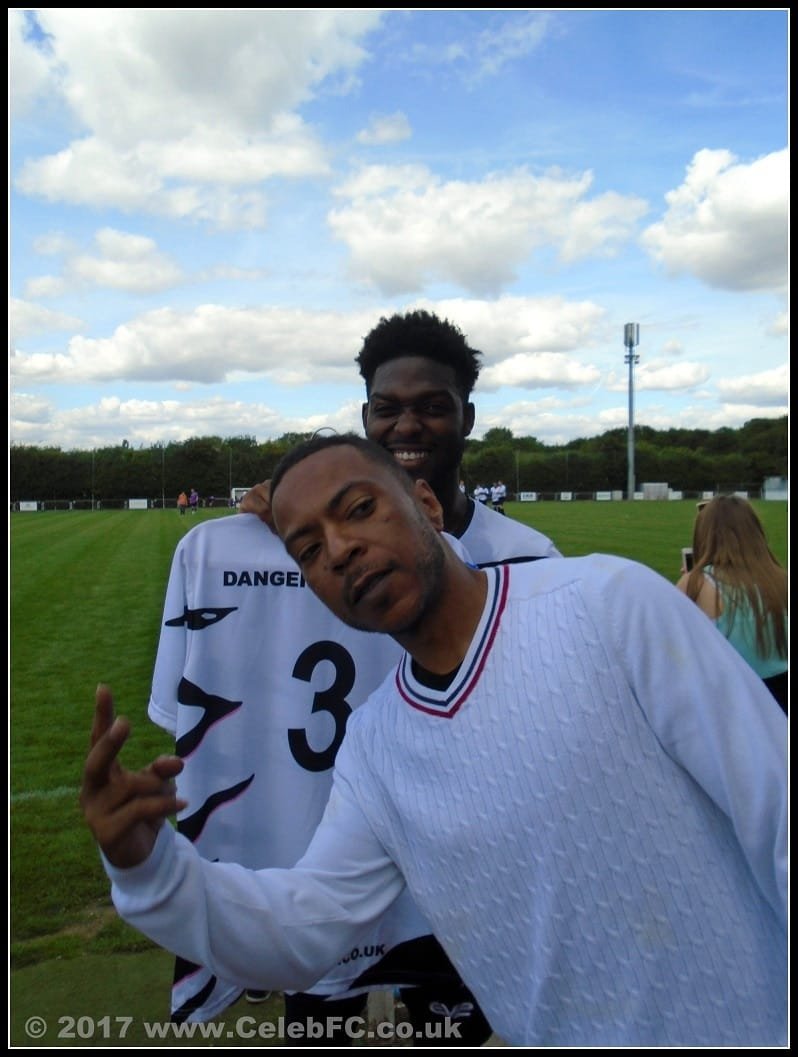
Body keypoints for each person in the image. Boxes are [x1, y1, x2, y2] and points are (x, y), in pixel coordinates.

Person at [82, 434, 787, 1047]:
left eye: (360, 509)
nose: (340, 550)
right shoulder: (375, 746)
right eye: (309, 550)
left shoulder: (606, 604)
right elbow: (304, 929)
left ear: (427, 504)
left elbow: (778, 806)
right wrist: (150, 868)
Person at [161, 310, 560, 1031]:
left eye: (432, 406)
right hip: (323, 865)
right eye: (387, 408)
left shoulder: (527, 557)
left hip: (468, 873)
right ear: (365, 416)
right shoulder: (281, 542)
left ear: (467, 417)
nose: (407, 425)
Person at [676, 494, 788, 713]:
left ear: (704, 536)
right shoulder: (781, 579)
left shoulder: (697, 583)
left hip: (734, 701)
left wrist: (690, 581)